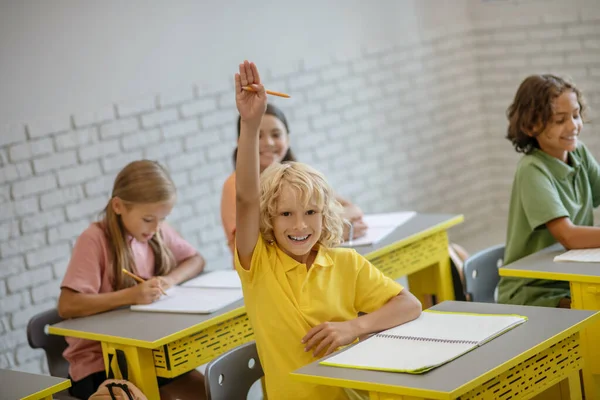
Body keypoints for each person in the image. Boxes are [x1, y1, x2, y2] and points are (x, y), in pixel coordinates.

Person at [232, 60, 422, 399]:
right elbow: (246, 199)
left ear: (325, 214)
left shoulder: (346, 264)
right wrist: (251, 124)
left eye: (310, 212)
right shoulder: (258, 265)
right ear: (269, 220)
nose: (300, 225)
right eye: (286, 214)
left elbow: (410, 305)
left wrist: (354, 327)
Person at [57, 160, 207, 399]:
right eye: (148, 219)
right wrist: (131, 296)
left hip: (150, 352)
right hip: (102, 364)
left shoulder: (154, 230)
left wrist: (169, 280)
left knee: (207, 392)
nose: (157, 227)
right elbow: (67, 305)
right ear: (118, 206)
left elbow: (196, 260)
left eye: (163, 218)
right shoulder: (94, 240)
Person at [497, 74, 597, 308]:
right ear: (531, 126)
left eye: (575, 115)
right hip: (535, 290)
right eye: (560, 120)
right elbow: (568, 236)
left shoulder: (578, 152)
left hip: (571, 278)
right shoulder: (532, 169)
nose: (573, 125)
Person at [220, 102, 367, 255]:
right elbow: (253, 248)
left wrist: (329, 225)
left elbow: (353, 209)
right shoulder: (234, 186)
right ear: (243, 143)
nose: (268, 142)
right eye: (258, 136)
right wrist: (329, 231)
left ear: (288, 139)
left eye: (276, 135)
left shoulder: (296, 178)